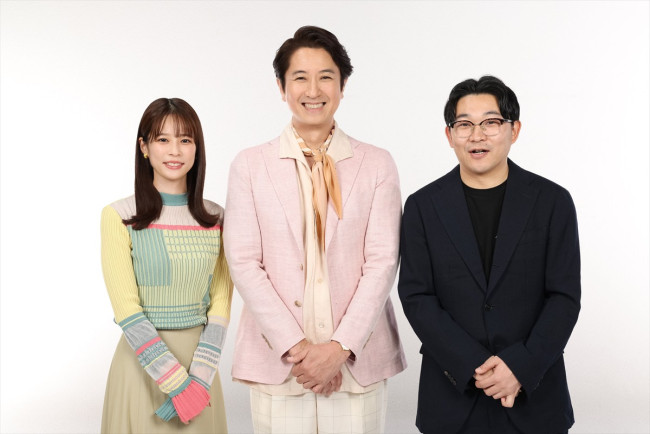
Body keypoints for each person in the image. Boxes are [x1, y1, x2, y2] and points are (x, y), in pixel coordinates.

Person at [223, 26, 406, 434]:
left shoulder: (377, 164)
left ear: (343, 85)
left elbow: (382, 262)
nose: (313, 90)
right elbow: (244, 262)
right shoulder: (249, 166)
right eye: (300, 78)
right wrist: (300, 349)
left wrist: (338, 349)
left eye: (326, 76)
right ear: (281, 86)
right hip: (281, 363)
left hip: (355, 365)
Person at [398, 76, 581, 434]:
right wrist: (474, 366)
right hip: (452, 398)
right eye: (464, 125)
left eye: (491, 122)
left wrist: (520, 368)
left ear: (514, 130)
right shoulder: (422, 206)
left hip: (534, 398)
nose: (477, 136)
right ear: (449, 135)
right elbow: (417, 297)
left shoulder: (552, 201)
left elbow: (564, 297)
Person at [100, 98, 233, 433]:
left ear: (197, 148)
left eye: (185, 139)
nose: (175, 150)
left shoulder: (217, 218)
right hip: (140, 367)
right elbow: (126, 309)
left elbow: (221, 304)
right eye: (163, 139)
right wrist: (177, 384)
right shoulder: (119, 216)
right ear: (144, 147)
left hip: (201, 368)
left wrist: (198, 381)